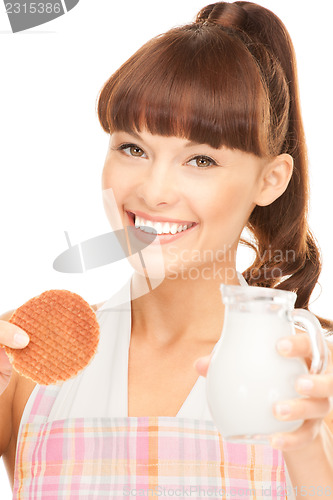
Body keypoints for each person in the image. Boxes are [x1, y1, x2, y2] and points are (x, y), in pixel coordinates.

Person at [1, 1, 333, 498]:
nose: (154, 192)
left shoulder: (316, 380)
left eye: (201, 159)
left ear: (271, 179)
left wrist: (309, 451)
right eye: (132, 148)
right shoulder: (23, 366)